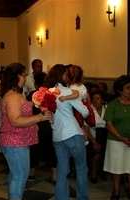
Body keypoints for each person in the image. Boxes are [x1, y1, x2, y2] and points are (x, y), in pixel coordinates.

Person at [0, 63, 52, 200]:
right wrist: (39, 118)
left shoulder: (15, 94)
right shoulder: (13, 97)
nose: (26, 78)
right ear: (18, 76)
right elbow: (15, 120)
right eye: (24, 75)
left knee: (15, 174)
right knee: (20, 175)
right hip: (15, 142)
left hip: (17, 141)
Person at [43, 64, 89, 200]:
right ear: (61, 74)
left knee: (62, 170)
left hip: (57, 135)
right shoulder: (67, 91)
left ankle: (61, 198)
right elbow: (85, 112)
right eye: (65, 73)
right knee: (81, 168)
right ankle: (82, 198)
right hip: (72, 133)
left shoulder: (47, 93)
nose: (67, 76)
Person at [103, 75, 130, 200]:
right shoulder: (113, 104)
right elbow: (108, 124)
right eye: (128, 88)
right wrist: (121, 138)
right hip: (116, 141)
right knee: (117, 168)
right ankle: (116, 191)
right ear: (120, 90)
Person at [27, 72, 57, 184]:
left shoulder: (32, 94)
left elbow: (28, 110)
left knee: (33, 149)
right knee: (50, 150)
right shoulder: (51, 94)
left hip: (36, 124)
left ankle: (32, 173)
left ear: (35, 84)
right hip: (49, 125)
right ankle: (54, 175)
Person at [59, 65, 90, 145]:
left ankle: (85, 142)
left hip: (76, 109)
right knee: (82, 126)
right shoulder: (82, 86)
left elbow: (75, 95)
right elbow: (87, 96)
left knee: (80, 126)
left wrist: (65, 97)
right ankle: (86, 141)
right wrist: (88, 104)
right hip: (83, 105)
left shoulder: (72, 87)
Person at [84, 89, 107, 184]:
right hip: (93, 135)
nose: (95, 100)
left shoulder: (107, 108)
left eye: (98, 98)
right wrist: (94, 141)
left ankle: (101, 170)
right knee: (97, 150)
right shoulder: (89, 110)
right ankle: (94, 173)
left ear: (102, 100)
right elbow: (86, 129)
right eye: (93, 98)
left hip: (106, 134)